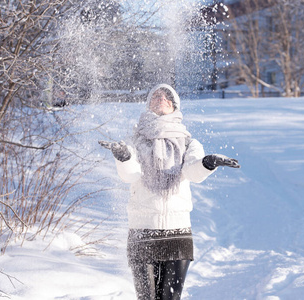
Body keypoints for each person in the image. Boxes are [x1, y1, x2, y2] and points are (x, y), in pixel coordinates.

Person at [99, 84, 240, 300]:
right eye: (155, 95)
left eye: (166, 96)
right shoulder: (135, 140)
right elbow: (131, 175)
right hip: (142, 230)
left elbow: (192, 172)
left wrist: (208, 163)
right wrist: (124, 157)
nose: (160, 97)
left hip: (178, 233)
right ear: (148, 104)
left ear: (174, 105)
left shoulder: (188, 142)